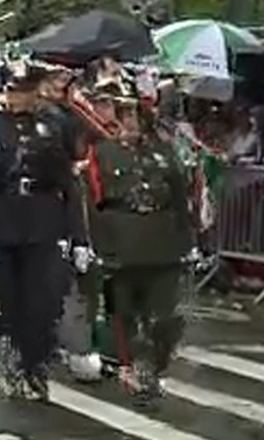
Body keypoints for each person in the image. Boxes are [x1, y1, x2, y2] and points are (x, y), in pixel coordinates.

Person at [0, 59, 81, 401]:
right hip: (4, 218)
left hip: (43, 219)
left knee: (42, 302)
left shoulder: (54, 125)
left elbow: (68, 181)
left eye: (27, 91)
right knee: (6, 299)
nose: (20, 97)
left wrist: (77, 235)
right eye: (14, 90)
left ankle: (33, 368)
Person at [86, 83, 191, 403]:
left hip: (162, 244)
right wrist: (97, 245)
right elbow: (93, 201)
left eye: (136, 115)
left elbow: (180, 199)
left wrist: (187, 243)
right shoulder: (102, 153)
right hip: (121, 242)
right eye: (125, 115)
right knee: (123, 314)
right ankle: (129, 367)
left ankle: (156, 365)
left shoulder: (165, 152)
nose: (131, 122)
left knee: (165, 318)